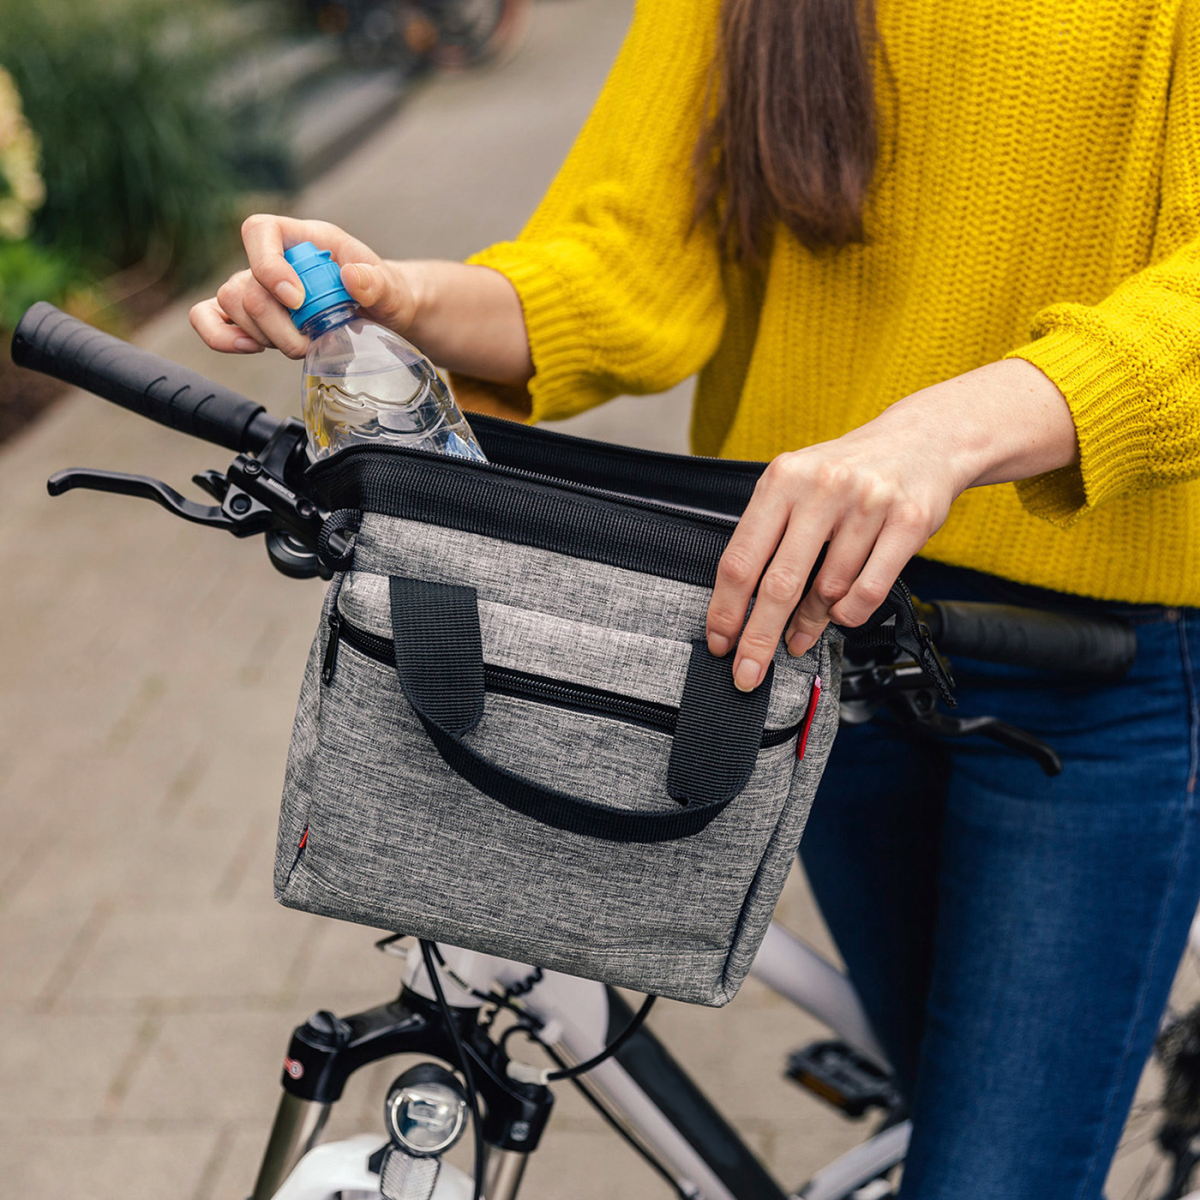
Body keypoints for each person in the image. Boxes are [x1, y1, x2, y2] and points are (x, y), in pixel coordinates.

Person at [191, 0, 1200, 1194]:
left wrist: (953, 427)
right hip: (808, 620)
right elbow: (635, 253)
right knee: (946, 1085)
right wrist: (400, 299)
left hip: (1098, 663)